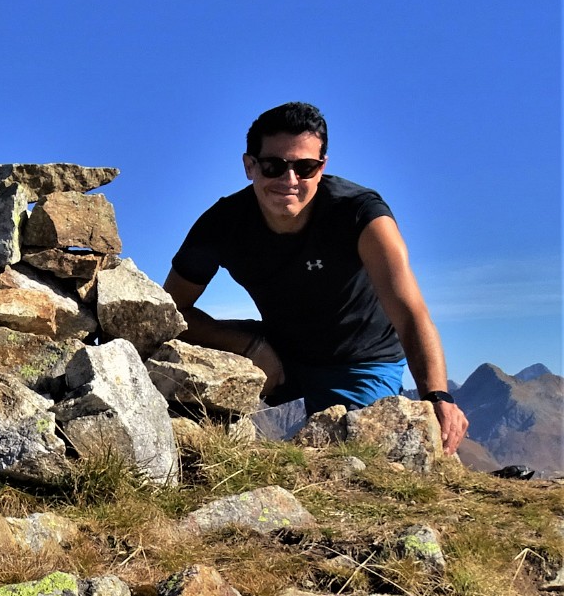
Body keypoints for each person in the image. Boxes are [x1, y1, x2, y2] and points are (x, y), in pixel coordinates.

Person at [162, 101, 468, 454]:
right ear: (250, 166)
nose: (289, 181)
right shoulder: (222, 224)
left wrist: (437, 396)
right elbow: (170, 312)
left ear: (322, 167)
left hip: (361, 361)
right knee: (172, 362)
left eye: (305, 167)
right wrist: (248, 347)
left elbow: (410, 313)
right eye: (273, 166)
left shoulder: (361, 216)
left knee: (354, 461)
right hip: (280, 351)